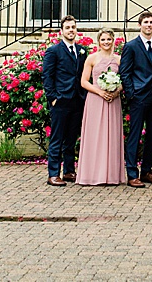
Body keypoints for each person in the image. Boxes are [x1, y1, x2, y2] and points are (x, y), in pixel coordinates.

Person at [120, 11, 152, 188]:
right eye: (146, 22)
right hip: (139, 97)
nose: (149, 25)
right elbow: (125, 72)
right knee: (135, 134)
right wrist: (131, 93)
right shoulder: (131, 46)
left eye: (151, 22)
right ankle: (132, 173)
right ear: (140, 25)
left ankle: (146, 171)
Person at [42, 16, 88, 186]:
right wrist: (53, 98)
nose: (71, 30)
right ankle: (53, 174)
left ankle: (69, 171)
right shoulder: (53, 51)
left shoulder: (82, 51)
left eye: (73, 27)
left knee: (71, 139)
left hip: (77, 100)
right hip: (60, 101)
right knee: (57, 138)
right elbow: (47, 77)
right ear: (62, 31)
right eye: (68, 27)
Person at [77, 28, 124, 186]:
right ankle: (92, 174)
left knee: (111, 134)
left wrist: (116, 91)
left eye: (109, 39)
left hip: (113, 100)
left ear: (113, 41)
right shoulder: (91, 58)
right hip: (96, 99)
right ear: (99, 41)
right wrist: (99, 92)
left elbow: (124, 80)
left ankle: (111, 175)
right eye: (103, 40)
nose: (106, 42)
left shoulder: (118, 60)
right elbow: (84, 81)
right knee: (95, 135)